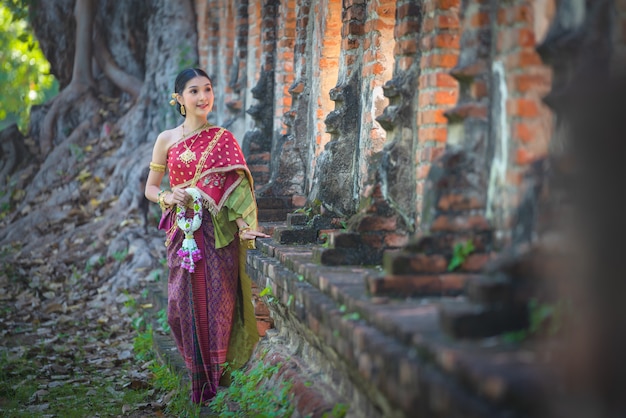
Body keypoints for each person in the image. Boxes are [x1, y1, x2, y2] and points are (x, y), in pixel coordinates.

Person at [144, 68, 269, 404]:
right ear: (179, 98)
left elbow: (237, 186)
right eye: (194, 91)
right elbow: (150, 188)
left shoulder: (223, 139)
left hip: (217, 237)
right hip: (183, 233)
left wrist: (245, 225)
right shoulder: (166, 139)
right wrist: (169, 197)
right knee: (178, 306)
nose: (203, 98)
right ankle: (197, 376)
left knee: (218, 303)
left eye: (208, 90)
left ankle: (218, 381)